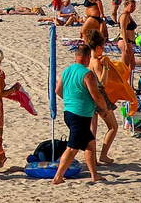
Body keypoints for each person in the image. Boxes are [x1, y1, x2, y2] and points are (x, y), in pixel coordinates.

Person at [53, 44, 107, 184]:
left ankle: (94, 175)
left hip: (69, 112)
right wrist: (105, 108)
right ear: (88, 57)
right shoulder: (87, 74)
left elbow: (58, 91)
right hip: (80, 115)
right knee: (72, 148)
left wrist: (70, 99)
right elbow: (96, 96)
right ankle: (58, 177)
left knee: (90, 144)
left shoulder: (67, 70)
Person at [85, 31, 118, 164]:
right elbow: (102, 81)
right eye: (103, 47)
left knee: (93, 130)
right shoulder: (97, 62)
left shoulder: (89, 59)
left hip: (89, 95)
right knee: (113, 127)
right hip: (99, 95)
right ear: (98, 47)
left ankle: (92, 159)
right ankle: (103, 155)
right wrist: (106, 68)